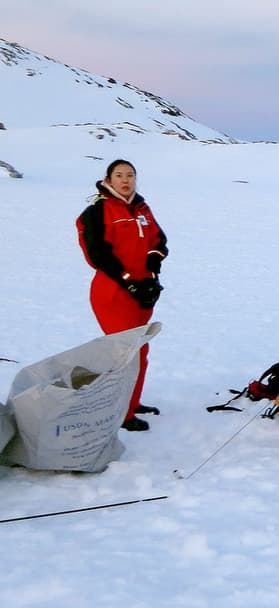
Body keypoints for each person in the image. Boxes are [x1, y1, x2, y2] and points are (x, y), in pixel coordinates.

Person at [76, 159, 168, 431]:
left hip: (142, 291)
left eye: (130, 175)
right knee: (124, 354)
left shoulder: (141, 208)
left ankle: (132, 401)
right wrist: (129, 282)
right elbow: (98, 254)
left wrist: (153, 263)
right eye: (119, 175)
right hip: (113, 291)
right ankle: (121, 413)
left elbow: (159, 239)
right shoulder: (98, 210)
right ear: (109, 179)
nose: (125, 180)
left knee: (140, 349)